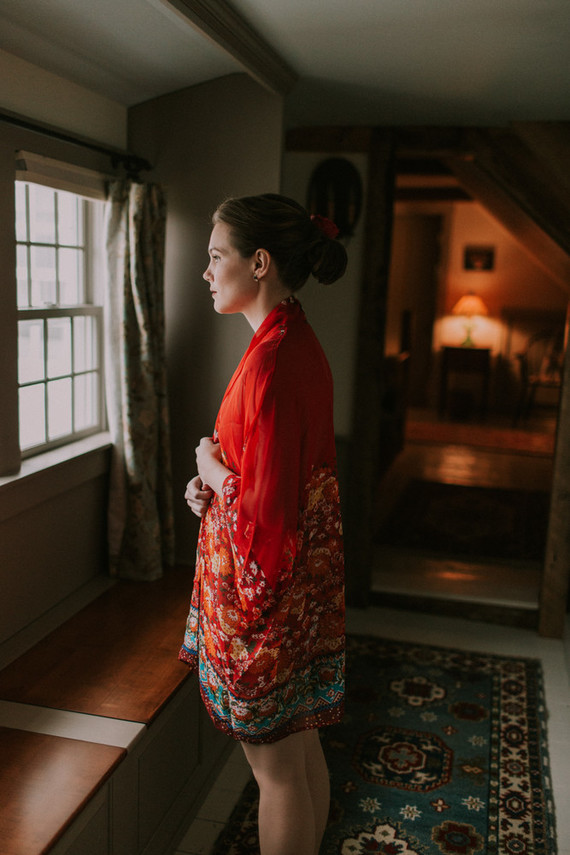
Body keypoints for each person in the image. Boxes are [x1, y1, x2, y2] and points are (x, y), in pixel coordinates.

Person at [179, 193, 347, 855]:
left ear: (260, 261)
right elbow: (267, 470)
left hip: (266, 602)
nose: (206, 270)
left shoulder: (275, 363)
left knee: (274, 773)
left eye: (215, 255)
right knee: (299, 750)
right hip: (297, 591)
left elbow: (269, 514)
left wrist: (212, 471)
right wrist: (212, 484)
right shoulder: (289, 334)